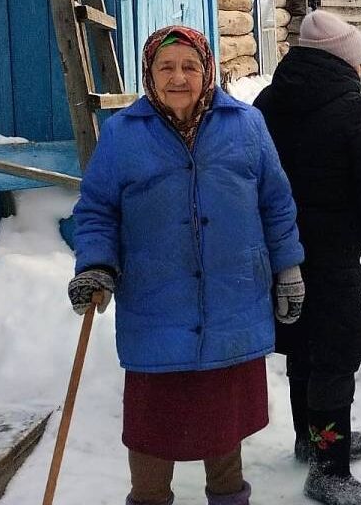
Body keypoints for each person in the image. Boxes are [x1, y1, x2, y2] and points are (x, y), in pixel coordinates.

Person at [68, 25, 305, 505]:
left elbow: (276, 204)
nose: (179, 77)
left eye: (190, 67)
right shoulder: (121, 134)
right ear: (149, 74)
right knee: (152, 434)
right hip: (156, 305)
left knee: (223, 433)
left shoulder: (246, 125)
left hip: (231, 301)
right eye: (166, 67)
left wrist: (288, 269)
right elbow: (96, 210)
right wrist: (96, 264)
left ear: (208, 71)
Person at [254, 9, 361, 505]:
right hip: (333, 253)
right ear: (344, 60)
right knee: (335, 352)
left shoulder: (267, 101)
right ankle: (328, 468)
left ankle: (308, 439)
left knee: (300, 344)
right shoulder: (353, 108)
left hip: (281, 251)